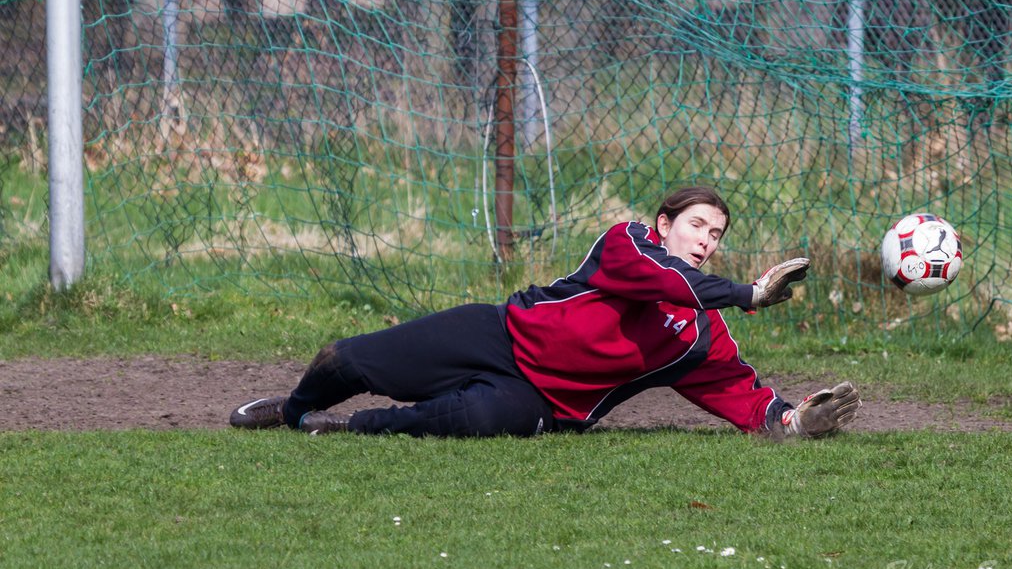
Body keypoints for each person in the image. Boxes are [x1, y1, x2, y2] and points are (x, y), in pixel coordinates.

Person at [229, 186, 860, 439]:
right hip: (498, 334)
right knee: (347, 357)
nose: (704, 240)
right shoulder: (628, 244)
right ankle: (289, 410)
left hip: (546, 403)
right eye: (695, 226)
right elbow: (660, 280)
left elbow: (736, 390)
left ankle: (349, 429)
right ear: (664, 224)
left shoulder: (699, 334)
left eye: (716, 234)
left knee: (475, 418)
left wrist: (796, 420)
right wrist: (748, 294)